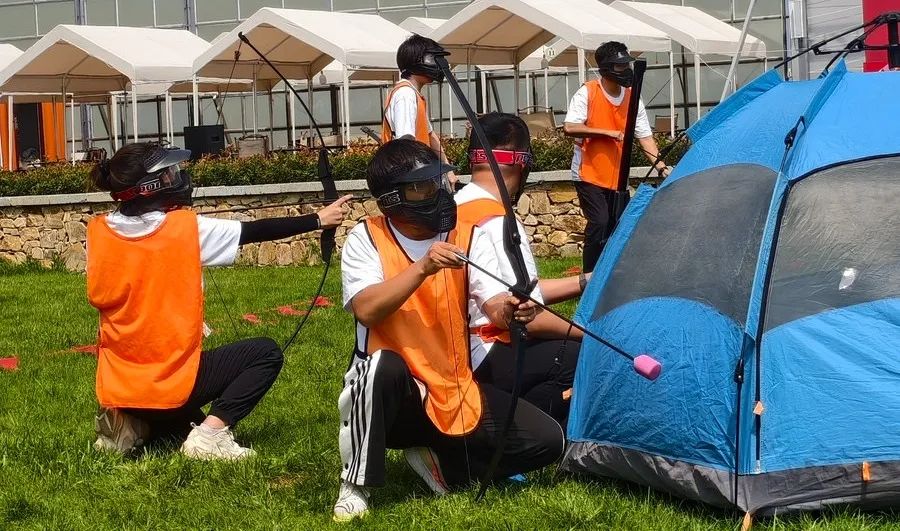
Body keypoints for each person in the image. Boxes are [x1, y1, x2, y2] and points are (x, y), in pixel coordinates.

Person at [334, 138, 565, 522]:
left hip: (453, 386)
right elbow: (367, 310)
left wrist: (510, 310)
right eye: (421, 187)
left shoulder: (466, 234)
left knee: (547, 442)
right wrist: (423, 267)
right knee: (380, 366)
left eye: (437, 182)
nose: (437, 192)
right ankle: (355, 483)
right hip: (396, 397)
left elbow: (492, 304)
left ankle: (445, 463)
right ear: (391, 198)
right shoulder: (367, 237)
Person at [87, 142, 351, 460]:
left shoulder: (99, 232)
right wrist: (318, 219)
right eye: (168, 174)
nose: (177, 178)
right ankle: (210, 437)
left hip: (122, 386)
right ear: (150, 187)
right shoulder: (185, 230)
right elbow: (254, 231)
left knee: (181, 426)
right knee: (265, 353)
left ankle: (130, 421)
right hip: (167, 381)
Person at [455, 113, 585, 428]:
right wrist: (588, 334)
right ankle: (512, 427)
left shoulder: (460, 205)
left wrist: (585, 282)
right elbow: (530, 315)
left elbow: (527, 291)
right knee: (586, 358)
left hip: (459, 350)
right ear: (522, 162)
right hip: (487, 352)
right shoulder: (497, 220)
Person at [563, 41, 671, 273]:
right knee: (600, 222)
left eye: (627, 65)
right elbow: (570, 127)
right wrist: (607, 133)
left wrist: (662, 167)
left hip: (617, 176)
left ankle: (614, 273)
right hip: (588, 173)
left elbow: (645, 137)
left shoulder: (633, 98)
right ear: (606, 68)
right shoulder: (588, 92)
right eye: (620, 66)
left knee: (620, 224)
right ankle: (588, 278)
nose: (626, 71)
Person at [382, 34, 456, 183]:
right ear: (416, 61)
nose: (436, 65)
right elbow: (406, 141)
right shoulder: (405, 94)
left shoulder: (413, 94)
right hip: (410, 177)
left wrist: (447, 170)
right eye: (431, 59)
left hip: (418, 174)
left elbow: (430, 135)